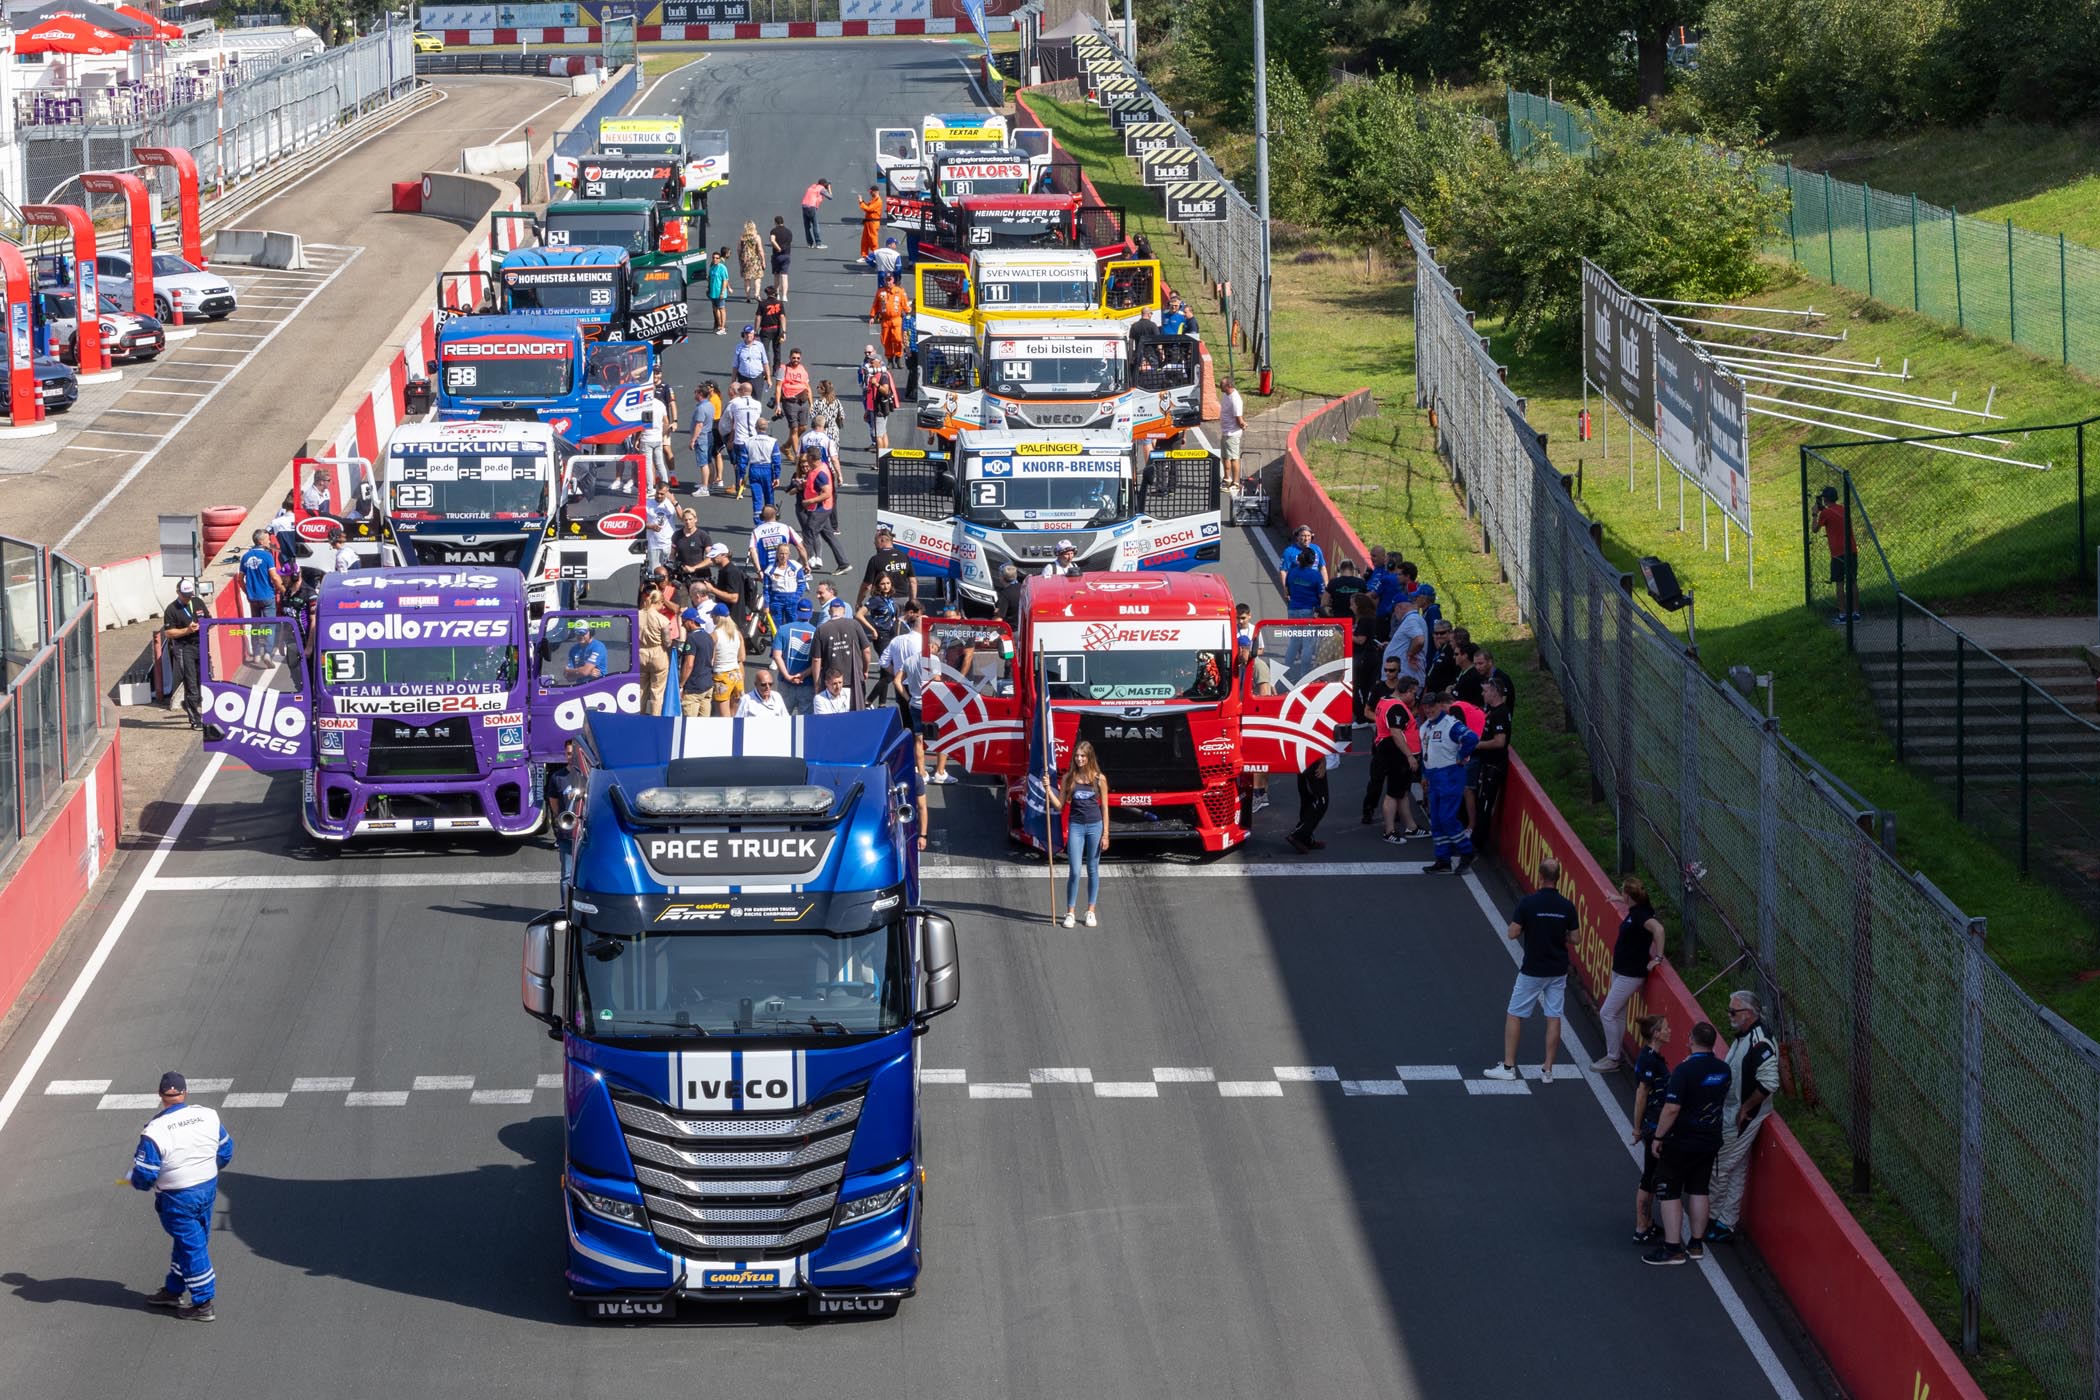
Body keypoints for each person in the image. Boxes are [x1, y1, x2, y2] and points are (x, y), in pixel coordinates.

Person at [129, 1071, 233, 1321]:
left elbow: (144, 1175)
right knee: (190, 1241)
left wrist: (137, 1181)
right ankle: (174, 1290)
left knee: (192, 1247)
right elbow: (226, 1151)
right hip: (207, 1189)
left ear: (161, 1096)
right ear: (185, 1093)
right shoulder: (208, 1116)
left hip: (177, 1198)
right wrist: (203, 1170)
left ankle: (203, 1302)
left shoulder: (155, 1131)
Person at [1644, 1021, 1732, 1266]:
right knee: (1699, 1188)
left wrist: (1658, 1137)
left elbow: (1672, 1109)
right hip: (1711, 1139)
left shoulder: (1684, 1071)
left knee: (1669, 1190)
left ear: (1691, 1040)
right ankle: (1696, 1244)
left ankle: (1673, 1248)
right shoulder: (1724, 1069)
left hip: (1681, 1140)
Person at [1484, 857, 1577, 1081]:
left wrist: (1531, 926)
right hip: (1557, 969)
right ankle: (1548, 1070)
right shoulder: (1567, 906)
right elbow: (1576, 938)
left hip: (1533, 969)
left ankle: (1508, 1067)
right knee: (1554, 1016)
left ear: (1540, 876)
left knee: (1515, 1014)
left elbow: (1512, 933)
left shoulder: (1528, 903)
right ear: (1558, 879)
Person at [1707, 990, 1782, 1244]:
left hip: (1742, 1117)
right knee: (1736, 1167)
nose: (1729, 1015)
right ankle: (1726, 1223)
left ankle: (1711, 1216)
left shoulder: (1759, 1043)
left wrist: (1746, 1108)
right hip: (1732, 1110)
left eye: (1733, 1011)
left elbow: (1770, 1082)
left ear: (1749, 1014)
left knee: (1719, 1166)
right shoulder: (1745, 1035)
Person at [1591, 876, 1666, 1071]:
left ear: (1628, 895)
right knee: (1619, 1014)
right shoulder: (1637, 910)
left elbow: (1659, 929)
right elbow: (1635, 910)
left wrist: (1658, 958)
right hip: (1622, 970)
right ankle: (1615, 1054)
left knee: (1607, 1013)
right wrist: (1617, 898)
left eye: (1622, 891)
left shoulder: (1641, 915)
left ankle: (1613, 1057)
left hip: (1630, 974)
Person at [1047, 740, 1109, 927]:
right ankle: (1070, 912)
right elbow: (1059, 805)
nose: (1079, 759)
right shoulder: (1068, 778)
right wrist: (1048, 789)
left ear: (1089, 758)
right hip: (1076, 826)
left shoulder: (1100, 779)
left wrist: (1106, 834)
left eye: (1083, 756)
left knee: (1092, 869)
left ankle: (1090, 911)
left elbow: (1105, 808)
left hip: (1095, 827)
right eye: (1077, 755)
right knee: (1074, 870)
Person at [1418, 689, 1478, 874]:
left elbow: (1472, 738)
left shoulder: (1450, 724)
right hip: (1433, 776)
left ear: (1439, 705)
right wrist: (1424, 776)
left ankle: (1467, 852)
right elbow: (1424, 754)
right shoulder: (1424, 727)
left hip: (1450, 775)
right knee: (1435, 819)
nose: (1429, 710)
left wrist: (1461, 755)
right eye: (1426, 707)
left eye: (1432, 706)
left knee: (1447, 817)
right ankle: (1443, 859)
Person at [1629, 1015, 1674, 1247]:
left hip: (1653, 1124)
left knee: (1652, 1175)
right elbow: (1641, 1095)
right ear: (1656, 1033)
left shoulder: (1653, 1057)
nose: (1670, 1030)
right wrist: (1637, 1129)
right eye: (1666, 1028)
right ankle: (1641, 1228)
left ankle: (1646, 1222)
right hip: (1653, 1126)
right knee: (1649, 1177)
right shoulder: (1649, 1060)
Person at [792, 446, 849, 575]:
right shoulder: (820, 467)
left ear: (812, 458)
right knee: (828, 535)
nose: (805, 459)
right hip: (822, 508)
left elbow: (827, 493)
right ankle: (843, 563)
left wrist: (809, 501)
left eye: (807, 457)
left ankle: (799, 565)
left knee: (809, 533)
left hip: (820, 509)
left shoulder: (821, 472)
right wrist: (805, 485)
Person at [1813, 483, 1859, 623]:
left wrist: (1815, 514)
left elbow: (1814, 529)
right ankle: (1856, 613)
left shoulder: (1825, 513)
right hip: (1851, 550)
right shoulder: (1844, 509)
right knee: (1852, 581)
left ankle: (1843, 614)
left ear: (1826, 499)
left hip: (1838, 552)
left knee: (1839, 582)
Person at [814, 595, 871, 707]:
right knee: (855, 714)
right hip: (854, 679)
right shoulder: (854, 624)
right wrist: (865, 670)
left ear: (830, 611)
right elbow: (867, 651)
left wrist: (817, 683)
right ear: (844, 610)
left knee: (833, 713)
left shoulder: (821, 629)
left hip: (831, 682)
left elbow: (816, 660)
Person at [161, 580, 204, 727]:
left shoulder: (197, 602)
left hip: (202, 645)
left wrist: (203, 625)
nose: (188, 598)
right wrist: (187, 630)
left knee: (203, 681)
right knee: (190, 683)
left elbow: (210, 619)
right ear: (178, 592)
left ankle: (189, 704)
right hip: (184, 648)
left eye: (190, 595)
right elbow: (168, 633)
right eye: (185, 595)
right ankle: (195, 720)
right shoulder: (171, 609)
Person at [723, 377, 766, 493]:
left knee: (740, 464)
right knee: (755, 463)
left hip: (740, 439)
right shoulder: (757, 404)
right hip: (753, 438)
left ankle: (739, 486)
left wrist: (730, 440)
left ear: (741, 391)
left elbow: (733, 424)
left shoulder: (735, 404)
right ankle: (756, 486)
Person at [1288, 748, 1334, 854]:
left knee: (1308, 800)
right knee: (1321, 802)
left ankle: (1306, 838)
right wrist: (1322, 760)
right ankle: (1298, 835)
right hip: (1311, 758)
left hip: (1303, 757)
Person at [772, 608, 816, 713]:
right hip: (807, 684)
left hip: (785, 683)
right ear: (811, 613)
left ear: (797, 612)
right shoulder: (816, 631)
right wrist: (803, 675)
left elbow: (777, 656)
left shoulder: (783, 629)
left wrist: (787, 676)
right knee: (805, 722)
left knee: (782, 719)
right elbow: (817, 660)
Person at [636, 591, 673, 715]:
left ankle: (639, 715)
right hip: (657, 653)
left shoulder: (637, 615)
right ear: (659, 602)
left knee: (641, 688)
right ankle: (655, 718)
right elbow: (667, 642)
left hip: (640, 652)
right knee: (657, 691)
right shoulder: (662, 619)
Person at [860, 523, 917, 603]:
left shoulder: (875, 559)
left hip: (883, 601)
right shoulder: (904, 556)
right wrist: (913, 601)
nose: (874, 543)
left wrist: (859, 601)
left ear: (881, 540)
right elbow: (912, 581)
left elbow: (867, 586)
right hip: (903, 599)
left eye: (875, 540)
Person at [869, 275, 911, 379]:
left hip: (897, 320)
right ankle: (889, 360)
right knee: (886, 341)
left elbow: (905, 304)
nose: (888, 282)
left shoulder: (900, 291)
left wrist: (910, 315)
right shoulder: (880, 292)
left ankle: (898, 358)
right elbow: (875, 305)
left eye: (890, 280)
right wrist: (872, 316)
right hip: (885, 320)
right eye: (886, 280)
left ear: (893, 281)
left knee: (898, 339)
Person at [677, 608, 715, 716]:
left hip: (694, 689)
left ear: (691, 621)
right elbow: (712, 659)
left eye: (684, 622)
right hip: (707, 686)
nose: (683, 625)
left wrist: (681, 685)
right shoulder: (708, 637)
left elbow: (689, 664)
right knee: (703, 725)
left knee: (690, 724)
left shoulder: (692, 639)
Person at [1454, 646, 1515, 714]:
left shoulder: (1500, 678)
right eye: (1475, 664)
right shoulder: (1482, 676)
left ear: (1490, 662)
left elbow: (1501, 704)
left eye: (1480, 663)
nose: (1477, 667)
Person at [709, 606, 747, 712]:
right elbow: (742, 657)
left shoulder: (714, 635)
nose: (711, 618)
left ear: (717, 617)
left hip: (721, 676)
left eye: (712, 615)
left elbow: (711, 659)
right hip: (736, 675)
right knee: (735, 715)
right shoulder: (737, 633)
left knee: (724, 717)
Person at [860, 348, 899, 452]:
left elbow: (885, 391)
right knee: (883, 433)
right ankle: (884, 456)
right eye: (869, 361)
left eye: (872, 361)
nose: (870, 363)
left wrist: (876, 384)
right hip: (873, 408)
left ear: (879, 362)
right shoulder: (873, 374)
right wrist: (867, 410)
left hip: (879, 409)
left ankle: (880, 460)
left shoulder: (883, 375)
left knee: (878, 435)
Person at [745, 436, 786, 530]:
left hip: (754, 469)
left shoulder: (748, 441)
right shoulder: (772, 441)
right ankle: (771, 520)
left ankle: (759, 524)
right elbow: (776, 460)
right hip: (767, 470)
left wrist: (741, 475)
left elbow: (743, 458)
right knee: (769, 497)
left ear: (756, 427)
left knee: (757, 498)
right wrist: (777, 476)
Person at [776, 346, 811, 453]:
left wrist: (811, 404)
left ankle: (786, 446)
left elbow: (807, 387)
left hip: (802, 401)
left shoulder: (802, 369)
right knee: (794, 429)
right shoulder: (783, 369)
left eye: (798, 358)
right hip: (789, 401)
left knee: (803, 427)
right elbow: (778, 387)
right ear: (790, 357)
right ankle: (797, 456)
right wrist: (778, 405)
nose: (796, 360)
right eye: (794, 358)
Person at [1217, 375, 1245, 491]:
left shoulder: (1236, 399)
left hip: (1233, 433)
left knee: (1234, 457)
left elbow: (1239, 419)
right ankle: (1227, 478)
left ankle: (1236, 482)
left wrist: (1243, 425)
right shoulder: (1226, 394)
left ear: (1229, 385)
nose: (1220, 386)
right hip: (1225, 431)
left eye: (1222, 385)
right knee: (1225, 456)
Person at [644, 479, 678, 574]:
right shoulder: (647, 503)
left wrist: (674, 502)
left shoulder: (671, 504)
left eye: (662, 494)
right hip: (653, 544)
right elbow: (639, 522)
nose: (659, 496)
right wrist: (650, 526)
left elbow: (682, 517)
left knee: (670, 572)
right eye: (658, 493)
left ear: (667, 492)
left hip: (669, 544)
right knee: (654, 572)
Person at [732, 326, 772, 401]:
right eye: (746, 333)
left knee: (757, 400)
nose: (748, 335)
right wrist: (733, 381)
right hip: (743, 378)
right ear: (743, 335)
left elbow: (765, 362)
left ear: (753, 334)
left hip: (757, 378)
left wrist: (768, 378)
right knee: (743, 400)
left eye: (750, 333)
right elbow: (735, 365)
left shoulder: (760, 346)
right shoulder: (739, 347)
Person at [737, 220, 765, 303]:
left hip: (745, 260)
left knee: (747, 279)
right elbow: (760, 250)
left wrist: (740, 260)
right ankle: (757, 294)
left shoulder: (742, 237)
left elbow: (738, 249)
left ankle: (748, 296)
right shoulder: (756, 237)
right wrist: (763, 261)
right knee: (757, 278)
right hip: (755, 260)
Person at [707, 249, 733, 334]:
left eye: (717, 258)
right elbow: (710, 279)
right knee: (715, 309)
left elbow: (725, 280)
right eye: (714, 258)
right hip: (713, 293)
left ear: (719, 259)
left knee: (722, 309)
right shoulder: (712, 268)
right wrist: (709, 289)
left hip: (720, 292)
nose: (715, 259)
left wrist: (723, 291)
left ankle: (723, 328)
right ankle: (719, 325)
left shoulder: (722, 268)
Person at [800, 178, 833, 247]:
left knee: (807, 226)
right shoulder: (821, 188)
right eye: (827, 184)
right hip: (811, 207)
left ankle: (810, 243)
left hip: (804, 206)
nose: (828, 185)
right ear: (824, 184)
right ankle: (818, 243)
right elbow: (830, 197)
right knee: (815, 226)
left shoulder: (812, 186)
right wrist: (829, 189)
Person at [858, 184, 884, 259]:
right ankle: (864, 256)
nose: (870, 193)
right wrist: (862, 202)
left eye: (871, 192)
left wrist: (861, 202)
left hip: (873, 223)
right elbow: (868, 206)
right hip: (868, 222)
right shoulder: (873, 200)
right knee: (865, 240)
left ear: (875, 192)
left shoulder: (878, 201)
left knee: (873, 240)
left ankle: (875, 256)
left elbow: (869, 209)